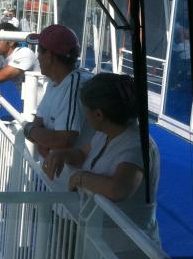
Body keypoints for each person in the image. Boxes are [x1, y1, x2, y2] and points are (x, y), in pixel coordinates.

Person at [43, 72, 160, 240]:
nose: (85, 116)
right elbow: (83, 154)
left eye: (86, 111)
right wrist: (62, 154)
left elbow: (119, 189)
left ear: (99, 115)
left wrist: (79, 178)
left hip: (127, 251)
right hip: (99, 239)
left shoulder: (137, 145)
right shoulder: (105, 133)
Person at [22, 24, 92, 189]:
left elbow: (63, 140)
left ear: (50, 56)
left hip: (72, 195)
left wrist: (28, 130)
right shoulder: (55, 83)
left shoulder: (75, 86)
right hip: (56, 182)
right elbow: (38, 123)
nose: (37, 57)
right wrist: (40, 136)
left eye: (39, 51)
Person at [0, 22, 38, 88]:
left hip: (34, 97)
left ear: (11, 42)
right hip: (17, 95)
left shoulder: (24, 53)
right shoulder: (0, 54)